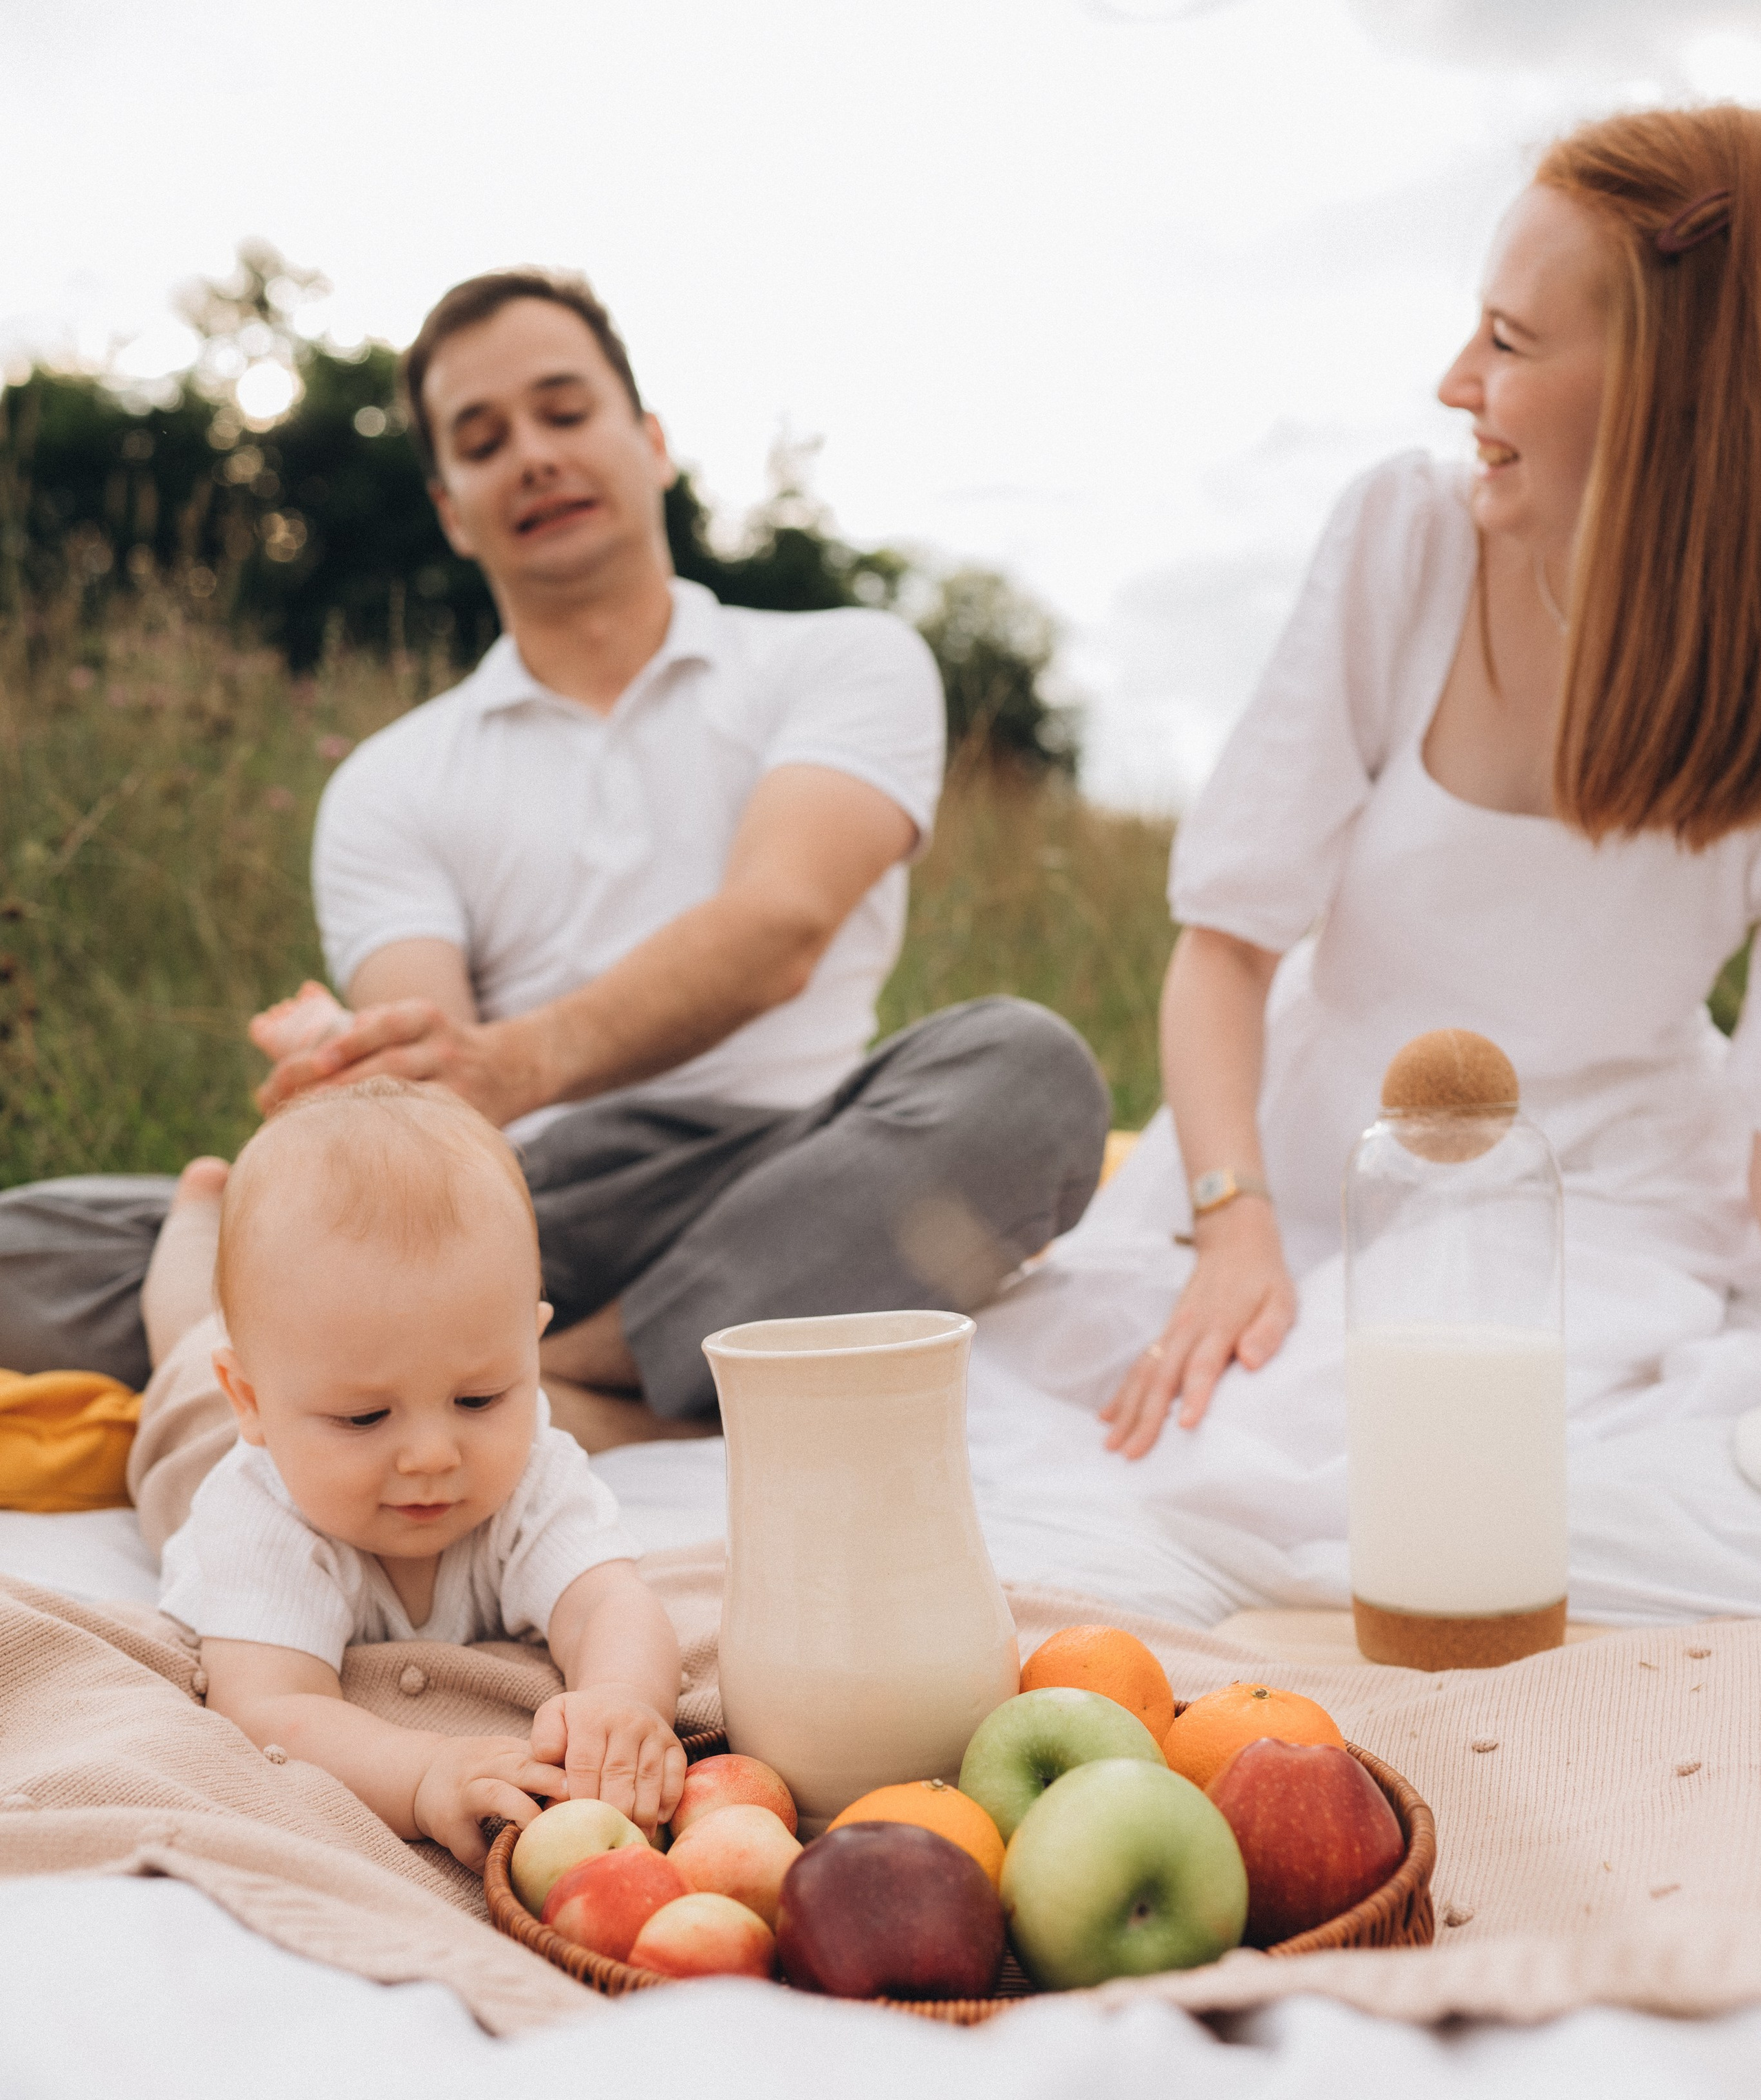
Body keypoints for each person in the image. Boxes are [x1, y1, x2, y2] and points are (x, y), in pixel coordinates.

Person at [0, 268, 1109, 1448]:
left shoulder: (842, 660)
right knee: (35, 1250)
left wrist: (510, 1065)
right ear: (450, 509)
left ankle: (557, 1382)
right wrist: (368, 1085)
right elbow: (437, 1094)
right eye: (484, 442)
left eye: (566, 413)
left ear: (652, 443)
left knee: (1027, 1074)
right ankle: (523, 1368)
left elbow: (780, 926)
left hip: (791, 1174)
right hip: (510, 1213)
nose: (533, 456)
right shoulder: (390, 779)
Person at [973, 105, 1761, 1627]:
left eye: (1507, 342)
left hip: (1597, 1206)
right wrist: (1233, 1225)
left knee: (1356, 1481)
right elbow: (1225, 947)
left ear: (1669, 398)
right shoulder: (1409, 536)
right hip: (1297, 1157)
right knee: (1121, 1440)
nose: (1455, 381)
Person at [158, 1079, 684, 1868]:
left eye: (478, 1398)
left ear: (531, 1347)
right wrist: (424, 1772)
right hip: (191, 1440)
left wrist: (620, 1698)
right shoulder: (256, 1514)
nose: (432, 1455)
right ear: (252, 1399)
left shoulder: (531, 1471)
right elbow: (272, 1706)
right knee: (178, 1337)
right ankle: (191, 1219)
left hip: (278, 1394)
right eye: (365, 1416)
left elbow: (607, 1600)